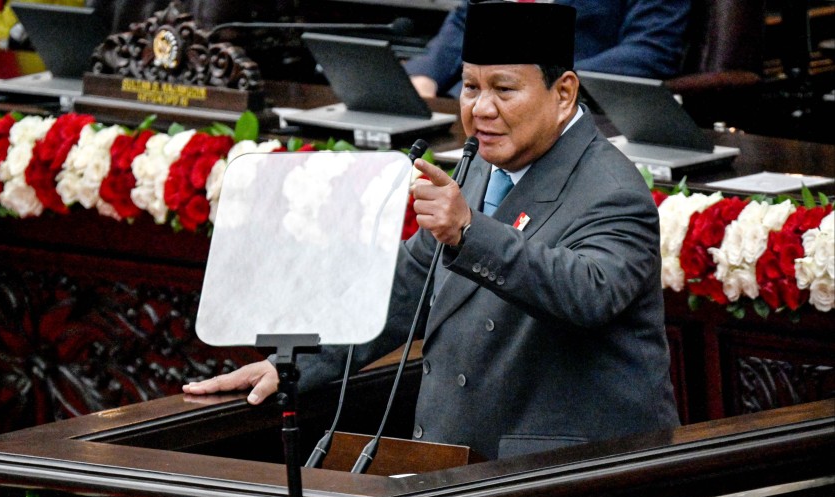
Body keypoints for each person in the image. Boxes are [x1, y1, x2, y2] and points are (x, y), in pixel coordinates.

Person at [183, 0, 679, 462]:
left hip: (570, 475)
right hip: (458, 462)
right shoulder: (483, 160)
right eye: (470, 87)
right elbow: (406, 285)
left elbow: (587, 294)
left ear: (564, 93)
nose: (480, 109)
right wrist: (292, 365)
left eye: (504, 90)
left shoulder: (613, 189)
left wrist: (469, 231)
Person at [405, 0, 691, 98]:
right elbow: (468, 19)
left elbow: (650, 51)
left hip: (577, 114)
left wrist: (544, 81)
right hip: (468, 108)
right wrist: (424, 77)